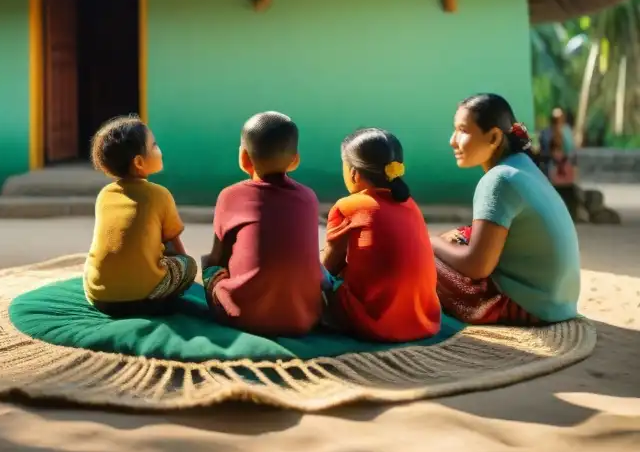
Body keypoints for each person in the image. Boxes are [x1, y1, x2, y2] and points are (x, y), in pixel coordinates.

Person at [433, 94, 581, 325]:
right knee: (456, 237)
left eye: (463, 130)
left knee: (419, 257)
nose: (453, 140)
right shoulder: (522, 165)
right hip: (558, 302)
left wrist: (429, 240)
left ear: (493, 137)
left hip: (529, 307)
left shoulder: (499, 179)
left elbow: (477, 266)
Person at [201, 112, 322, 335]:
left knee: (209, 264)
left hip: (242, 317)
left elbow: (219, 256)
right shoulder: (309, 197)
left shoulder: (230, 196)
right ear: (295, 160)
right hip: (304, 317)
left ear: (244, 158)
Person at [320, 128, 441, 342]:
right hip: (423, 321)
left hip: (374, 325)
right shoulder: (411, 206)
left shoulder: (349, 206)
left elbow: (329, 265)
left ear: (354, 173)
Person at [84, 115, 197, 317]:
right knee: (188, 265)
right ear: (138, 162)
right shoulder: (159, 194)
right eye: (154, 146)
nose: (159, 150)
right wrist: (183, 267)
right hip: (144, 300)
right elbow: (176, 245)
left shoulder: (104, 195)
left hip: (100, 298)